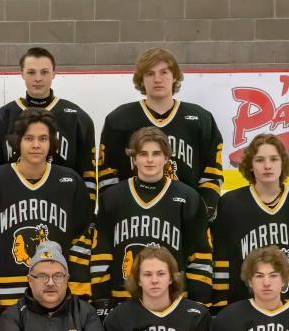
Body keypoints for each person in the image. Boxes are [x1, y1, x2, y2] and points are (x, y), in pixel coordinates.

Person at [0, 109, 95, 310]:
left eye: (43, 138)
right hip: (5, 297)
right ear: (18, 141)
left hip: (56, 297)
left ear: (52, 143)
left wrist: (79, 293)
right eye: (29, 138)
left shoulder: (70, 182)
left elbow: (81, 241)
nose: (36, 145)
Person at [89, 126, 213, 314]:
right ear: (134, 158)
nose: (149, 160)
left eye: (156, 153)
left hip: (172, 302)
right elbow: (101, 253)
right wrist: (101, 299)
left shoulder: (188, 197)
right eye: (143, 153)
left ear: (166, 158)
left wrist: (200, 302)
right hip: (122, 301)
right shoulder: (112, 197)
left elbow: (200, 256)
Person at [213, 133, 289, 313]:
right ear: (250, 166)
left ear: (282, 163)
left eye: (274, 159)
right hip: (246, 306)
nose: (267, 166)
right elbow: (221, 257)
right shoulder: (230, 204)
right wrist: (220, 305)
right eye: (260, 160)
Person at [98, 47, 224, 218]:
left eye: (164, 72)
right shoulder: (119, 119)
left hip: (184, 216)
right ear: (141, 80)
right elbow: (108, 175)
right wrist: (115, 211)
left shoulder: (200, 119)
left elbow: (211, 173)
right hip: (133, 215)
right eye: (150, 74)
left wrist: (202, 211)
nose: (157, 79)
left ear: (175, 77)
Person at [0, 46, 96, 195]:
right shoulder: (1, 119)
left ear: (54, 74)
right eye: (31, 72)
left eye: (44, 72)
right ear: (22, 74)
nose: (38, 78)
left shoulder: (78, 118)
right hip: (15, 204)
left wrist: (86, 212)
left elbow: (87, 175)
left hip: (62, 203)